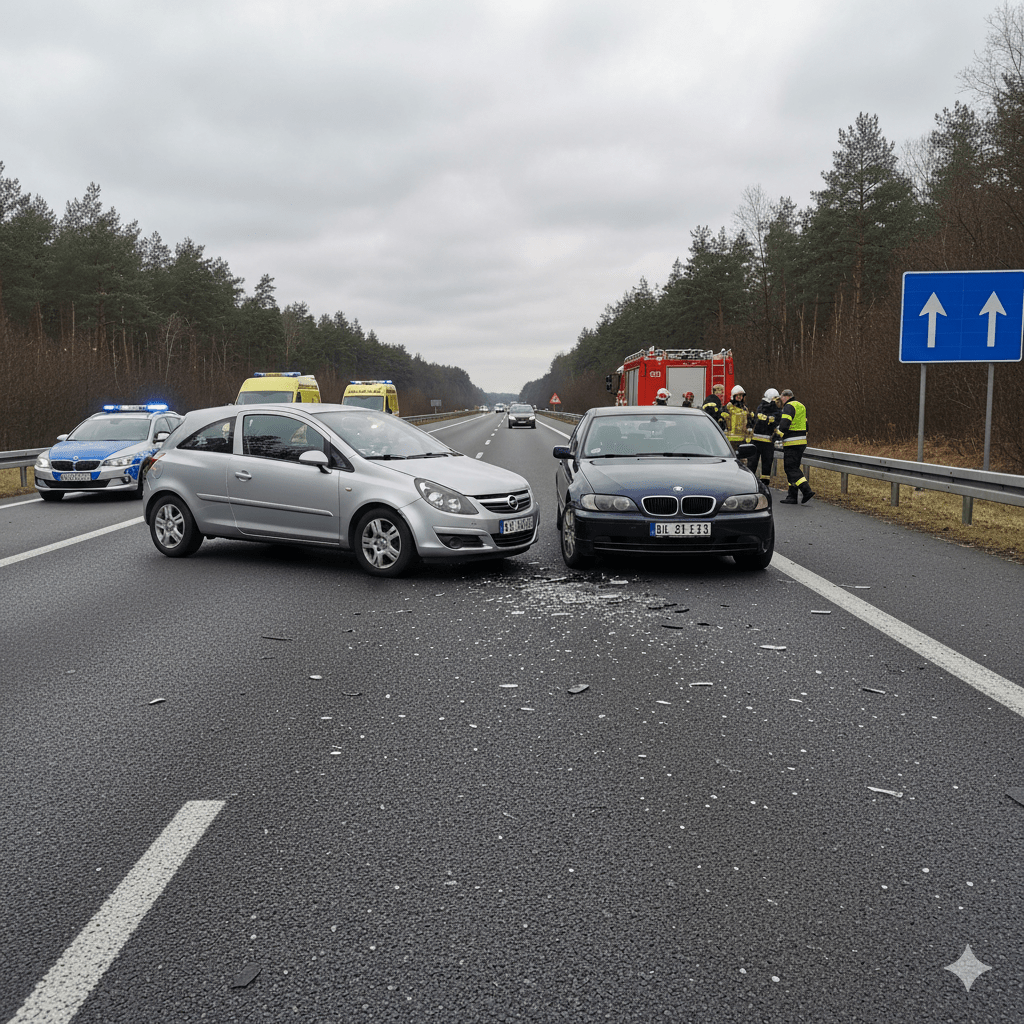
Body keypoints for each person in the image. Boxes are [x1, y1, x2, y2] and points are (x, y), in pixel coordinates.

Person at [775, 388, 814, 504]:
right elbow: (806, 425)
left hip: (792, 443)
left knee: (790, 468)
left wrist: (777, 435)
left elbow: (785, 424)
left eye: (781, 397)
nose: (781, 400)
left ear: (785, 397)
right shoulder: (801, 406)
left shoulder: (788, 406)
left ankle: (806, 490)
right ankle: (792, 496)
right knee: (793, 468)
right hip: (801, 442)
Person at [747, 388, 781, 484]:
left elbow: (777, 423)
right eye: (775, 399)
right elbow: (757, 421)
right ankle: (750, 483)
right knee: (752, 464)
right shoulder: (761, 408)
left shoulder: (776, 411)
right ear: (770, 399)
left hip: (768, 442)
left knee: (766, 467)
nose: (777, 402)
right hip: (758, 441)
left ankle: (764, 486)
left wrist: (777, 436)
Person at [723, 385, 751, 451]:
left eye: (741, 395)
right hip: (731, 440)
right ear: (734, 396)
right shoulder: (728, 407)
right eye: (738, 395)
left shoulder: (745, 408)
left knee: (743, 459)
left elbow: (748, 422)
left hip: (742, 439)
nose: (740, 397)